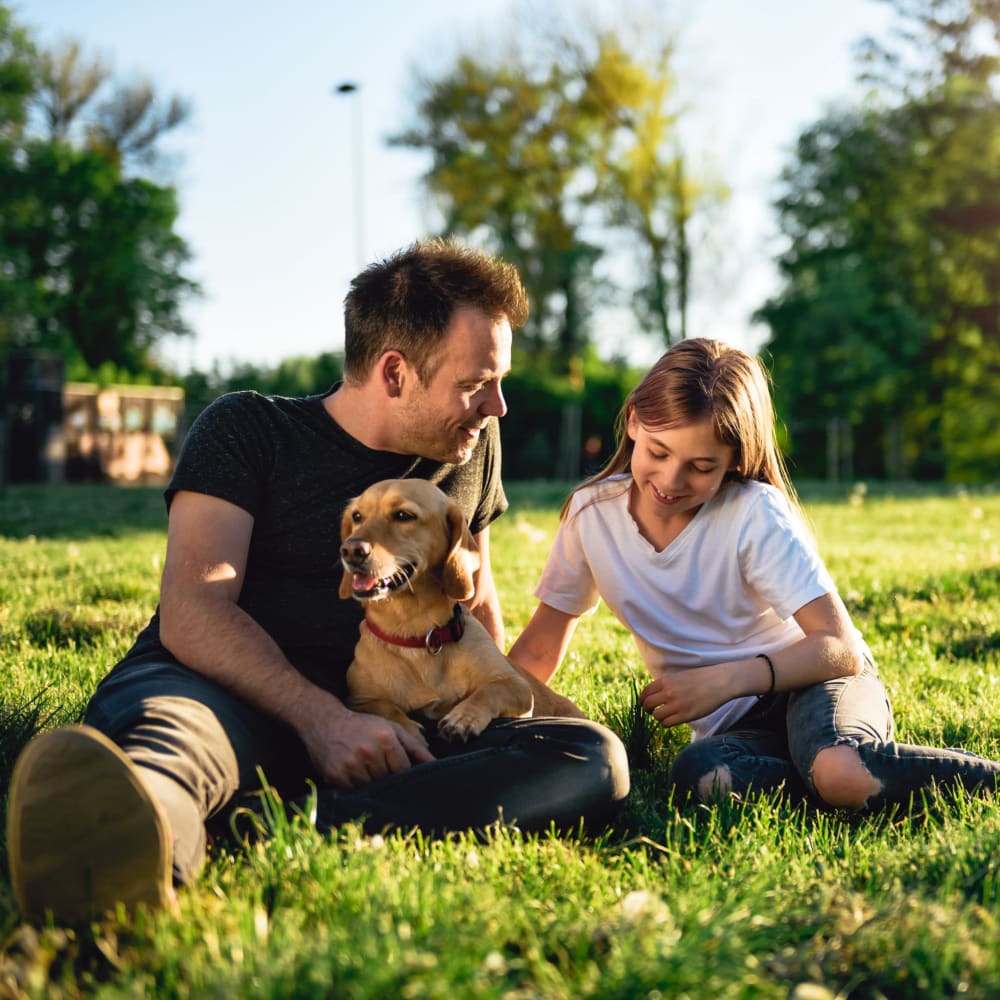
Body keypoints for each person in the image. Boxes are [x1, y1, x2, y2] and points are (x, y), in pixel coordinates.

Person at [7, 239, 629, 925]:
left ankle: (272, 828)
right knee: (172, 744)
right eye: (476, 383)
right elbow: (192, 610)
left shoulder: (471, 444)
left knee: (588, 754)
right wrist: (322, 719)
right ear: (394, 373)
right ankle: (123, 841)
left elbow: (470, 598)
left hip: (393, 719)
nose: (499, 406)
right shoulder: (247, 429)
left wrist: (508, 704)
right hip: (226, 692)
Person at [508, 337, 1000, 813]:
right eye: (658, 452)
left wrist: (725, 681)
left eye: (701, 466)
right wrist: (486, 718)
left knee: (840, 772)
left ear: (735, 460)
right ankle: (826, 779)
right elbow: (538, 648)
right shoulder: (591, 516)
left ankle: (862, 773)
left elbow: (841, 649)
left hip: (814, 684)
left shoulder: (752, 513)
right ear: (634, 420)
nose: (671, 481)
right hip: (739, 732)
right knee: (703, 776)